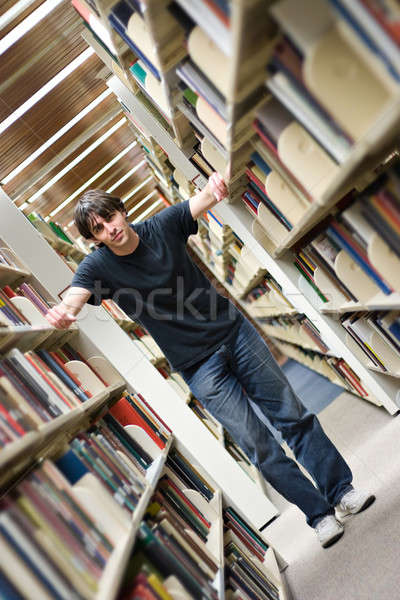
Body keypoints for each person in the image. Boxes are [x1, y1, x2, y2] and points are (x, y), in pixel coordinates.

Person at [46, 172, 375, 548]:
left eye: (110, 218)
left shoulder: (161, 226)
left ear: (121, 211)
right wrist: (62, 311)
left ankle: (340, 492)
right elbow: (75, 295)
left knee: (292, 416)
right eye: (98, 229)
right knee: (258, 444)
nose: (109, 229)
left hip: (235, 334)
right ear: (93, 239)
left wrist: (217, 185)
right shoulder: (98, 267)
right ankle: (318, 515)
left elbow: (202, 200)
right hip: (197, 366)